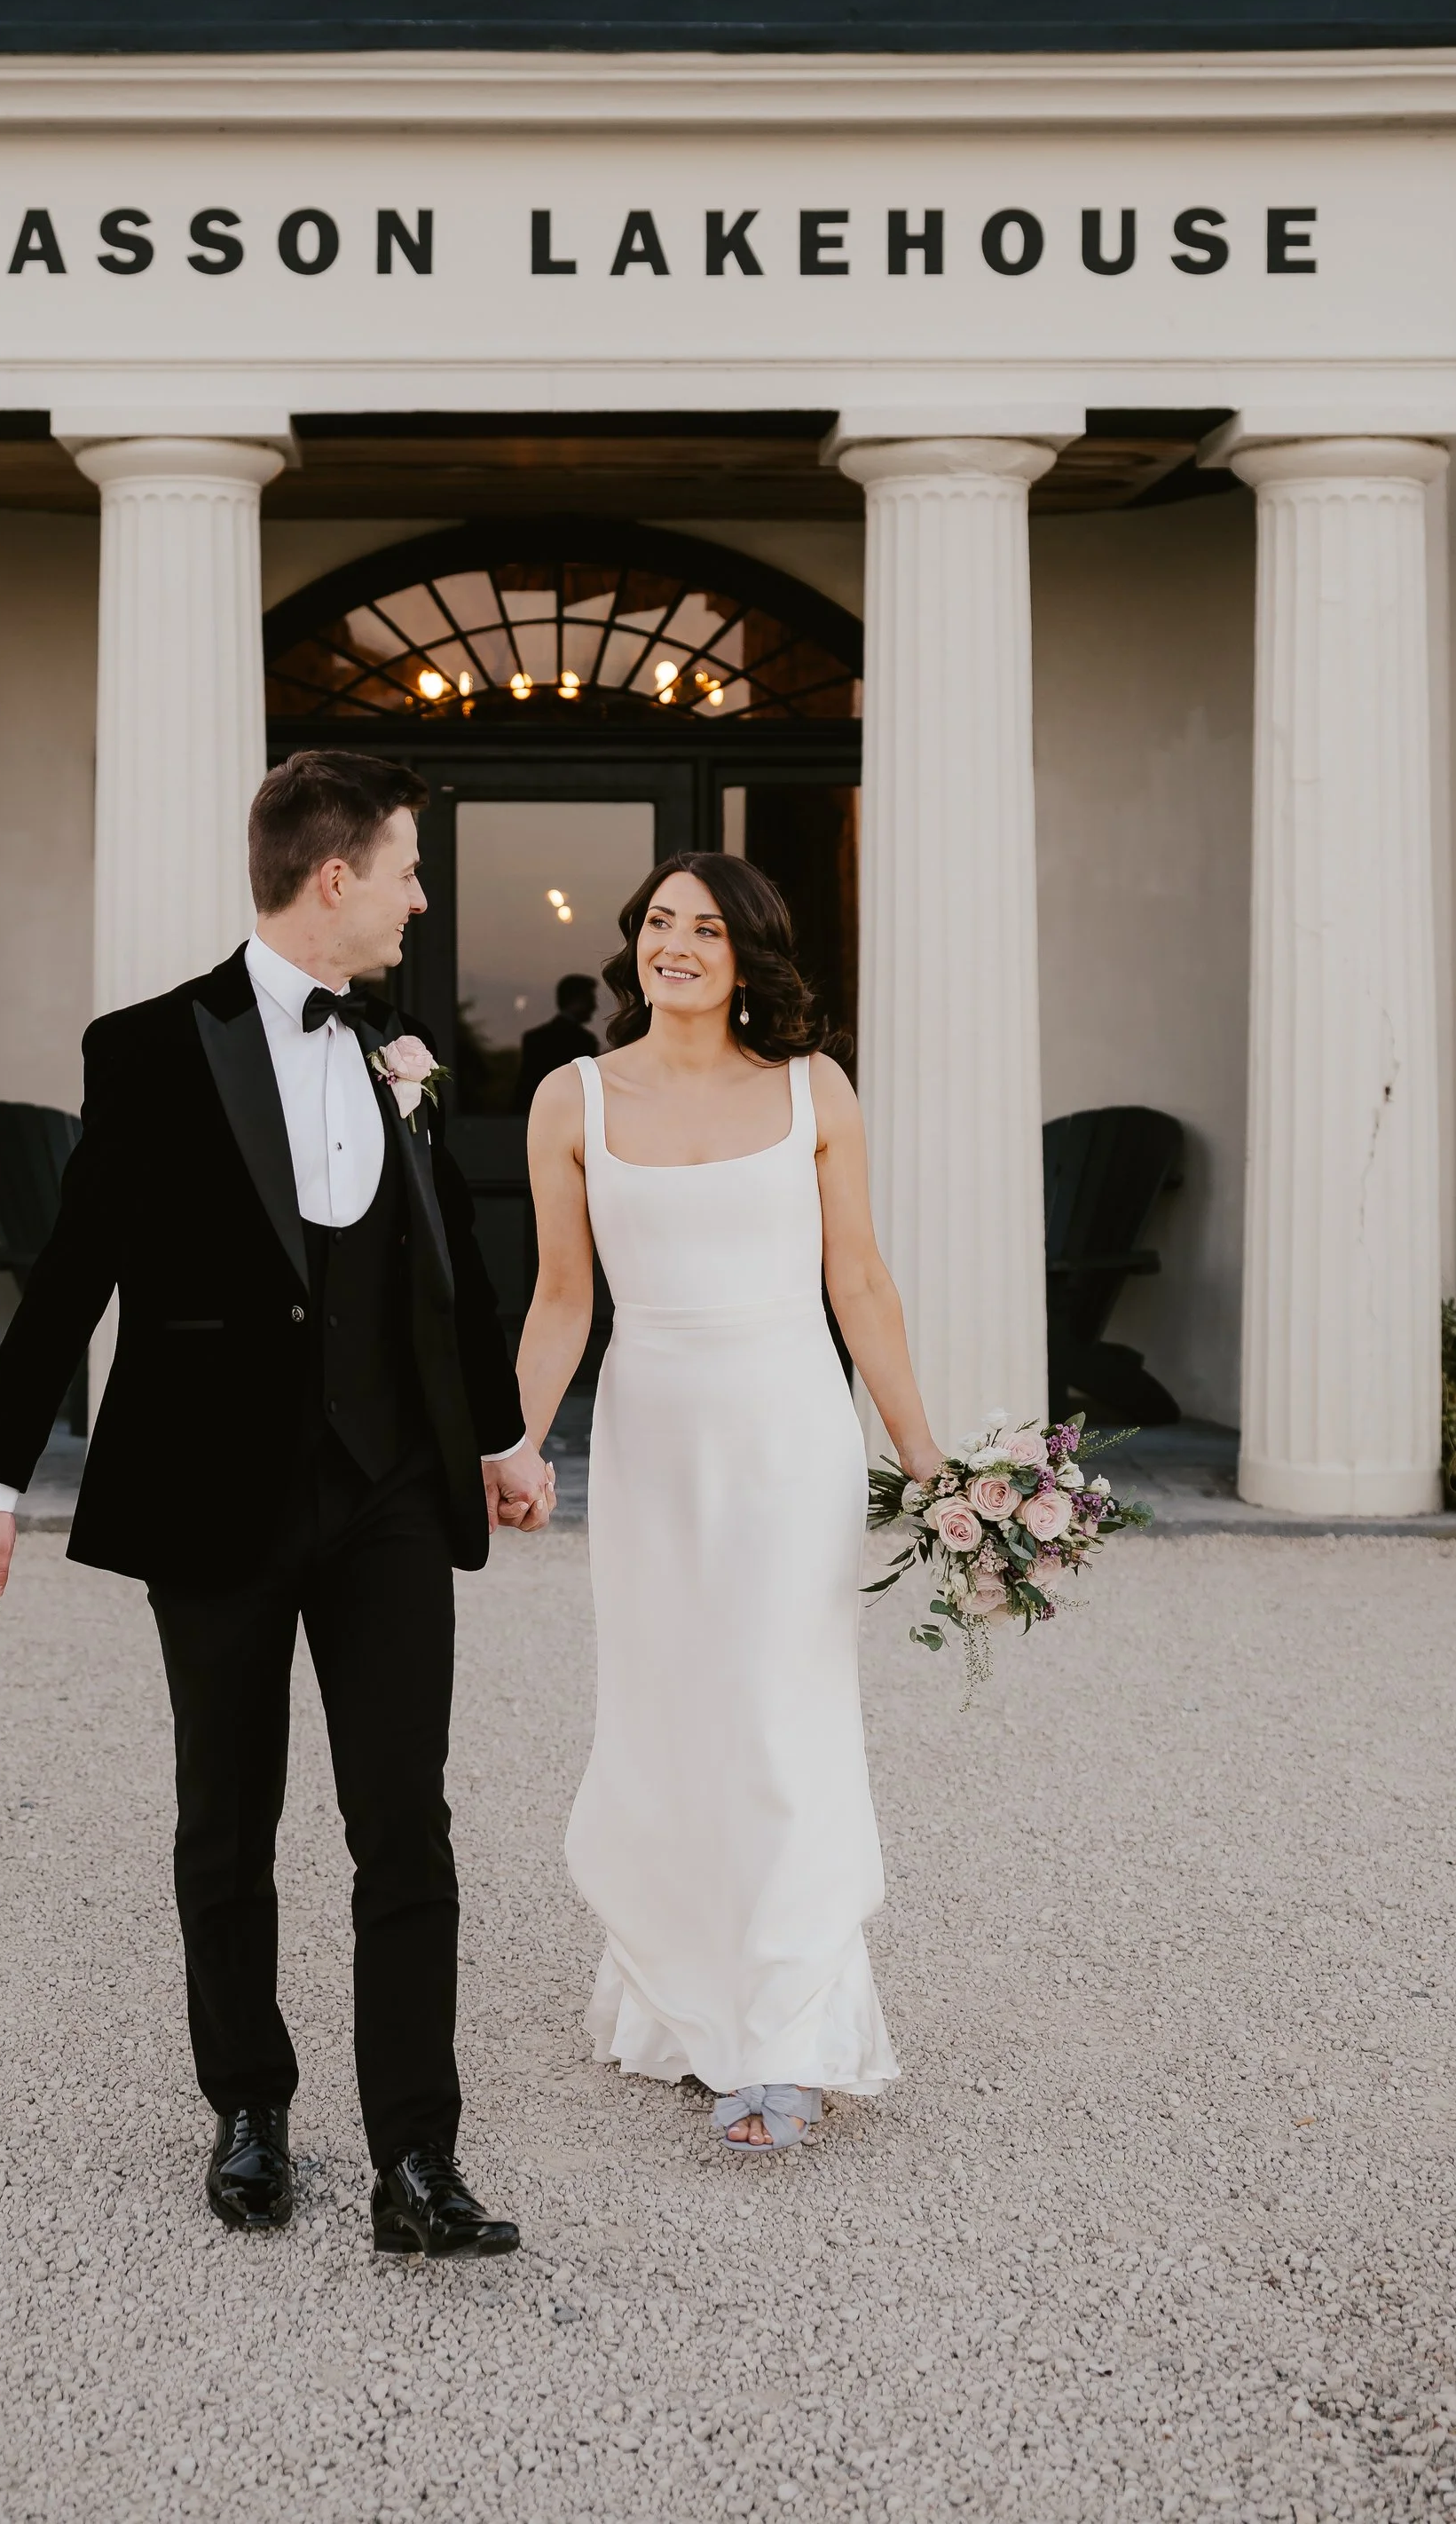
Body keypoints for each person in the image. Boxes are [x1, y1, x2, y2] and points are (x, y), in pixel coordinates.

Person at [0, 749, 555, 2254]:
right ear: (332, 876)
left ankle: (418, 2157)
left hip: (392, 1491)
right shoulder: (151, 1047)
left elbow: (450, 1274)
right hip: (216, 1491)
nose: (422, 898)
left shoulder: (400, 1051)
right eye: (406, 870)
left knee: (404, 1819)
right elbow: (72, 1277)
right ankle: (249, 2107)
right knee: (230, 1812)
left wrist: (502, 1436)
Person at [515, 853, 943, 2152]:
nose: (679, 944)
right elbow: (561, 1299)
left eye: (707, 927)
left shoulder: (815, 1089)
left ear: (751, 954)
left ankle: (788, 2032)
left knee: (781, 1711)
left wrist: (927, 1462)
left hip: (791, 1434)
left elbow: (859, 1282)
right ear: (634, 946)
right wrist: (517, 1443)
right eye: (660, 923)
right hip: (653, 1442)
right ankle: (676, 1998)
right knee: (667, 1712)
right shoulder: (570, 1097)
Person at [509, 973, 601, 1112]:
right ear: (576, 1000)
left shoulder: (534, 1038)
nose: (595, 1006)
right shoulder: (584, 1041)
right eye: (590, 999)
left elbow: (525, 1089)